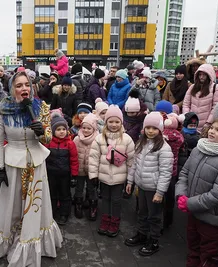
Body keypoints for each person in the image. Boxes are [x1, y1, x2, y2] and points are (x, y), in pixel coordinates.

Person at [0, 71, 63, 266]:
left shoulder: (41, 107)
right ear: (11, 89)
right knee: (13, 203)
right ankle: (11, 238)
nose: (24, 88)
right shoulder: (3, 109)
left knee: (35, 204)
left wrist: (42, 132)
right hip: (12, 164)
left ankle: (32, 239)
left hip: (36, 163)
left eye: (26, 84)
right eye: (19, 85)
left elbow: (49, 138)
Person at [175, 117, 218, 266]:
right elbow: (184, 173)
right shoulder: (198, 149)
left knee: (210, 256)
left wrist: (190, 203)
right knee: (193, 250)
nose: (212, 132)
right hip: (193, 214)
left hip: (212, 220)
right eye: (212, 128)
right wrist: (181, 194)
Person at [125, 112, 173, 256]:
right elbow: (134, 164)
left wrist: (160, 192)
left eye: (154, 128)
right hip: (141, 185)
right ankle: (142, 234)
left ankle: (153, 240)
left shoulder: (164, 148)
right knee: (142, 212)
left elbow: (166, 172)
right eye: (148, 128)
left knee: (154, 216)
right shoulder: (141, 143)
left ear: (160, 129)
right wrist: (130, 181)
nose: (150, 131)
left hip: (154, 188)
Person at [89, 105, 135, 237]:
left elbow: (131, 160)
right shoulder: (100, 138)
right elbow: (93, 158)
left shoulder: (127, 139)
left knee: (116, 200)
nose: (114, 124)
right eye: (110, 121)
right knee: (105, 199)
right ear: (106, 122)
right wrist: (93, 175)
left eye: (117, 121)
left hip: (119, 178)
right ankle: (105, 219)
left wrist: (130, 180)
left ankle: (114, 221)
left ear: (121, 122)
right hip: (103, 176)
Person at [44, 114, 79, 225]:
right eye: (58, 129)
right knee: (52, 194)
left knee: (65, 194)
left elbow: (74, 160)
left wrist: (74, 175)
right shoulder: (48, 143)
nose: (61, 131)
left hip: (65, 174)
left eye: (64, 129)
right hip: (51, 173)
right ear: (53, 131)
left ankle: (64, 214)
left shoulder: (70, 144)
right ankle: (52, 212)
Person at [182, 64, 218, 134]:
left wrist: (208, 123)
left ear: (210, 75)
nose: (201, 77)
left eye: (204, 75)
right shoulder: (192, 87)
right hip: (191, 125)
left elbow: (216, 108)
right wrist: (187, 117)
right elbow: (186, 104)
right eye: (200, 74)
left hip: (206, 127)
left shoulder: (216, 88)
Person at [73, 113, 99, 220]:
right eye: (84, 127)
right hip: (80, 169)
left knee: (91, 188)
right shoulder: (77, 139)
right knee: (79, 188)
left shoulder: (98, 140)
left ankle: (93, 206)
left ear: (94, 128)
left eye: (89, 128)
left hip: (92, 171)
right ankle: (78, 204)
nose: (86, 130)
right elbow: (74, 155)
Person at [161, 113, 184, 229]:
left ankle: (159, 220)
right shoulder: (180, 137)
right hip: (172, 170)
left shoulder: (162, 136)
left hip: (161, 169)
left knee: (159, 194)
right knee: (169, 197)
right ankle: (168, 220)